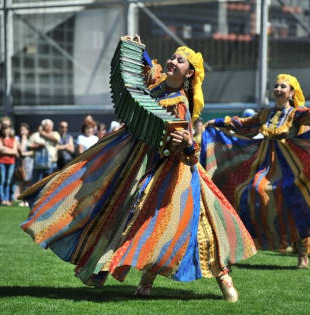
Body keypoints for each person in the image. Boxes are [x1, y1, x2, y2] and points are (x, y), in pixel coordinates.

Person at [19, 38, 256, 302]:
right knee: (123, 212)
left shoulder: (179, 104)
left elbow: (187, 150)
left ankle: (223, 277)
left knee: (189, 228)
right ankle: (139, 279)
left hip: (172, 175)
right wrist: (136, 49)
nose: (172, 61)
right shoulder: (156, 85)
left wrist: (188, 143)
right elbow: (139, 72)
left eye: (180, 60)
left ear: (189, 73)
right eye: (172, 57)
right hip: (140, 163)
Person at [202, 74, 310, 269]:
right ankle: (251, 241)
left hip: (291, 164)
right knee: (250, 191)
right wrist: (218, 122)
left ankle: (302, 254)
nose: (278, 89)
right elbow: (244, 124)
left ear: (291, 93)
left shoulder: (296, 114)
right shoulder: (265, 113)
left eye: (283, 86)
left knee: (296, 204)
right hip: (265, 162)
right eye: (276, 86)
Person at [29, 119, 61, 183]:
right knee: (36, 184)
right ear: (43, 126)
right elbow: (29, 146)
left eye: (51, 125)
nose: (50, 127)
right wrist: (38, 146)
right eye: (48, 125)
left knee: (50, 184)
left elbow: (56, 140)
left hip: (51, 164)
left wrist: (43, 134)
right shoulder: (36, 135)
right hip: (38, 165)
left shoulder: (55, 133)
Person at [0, 118, 18, 206]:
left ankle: (8, 199)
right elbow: (0, 149)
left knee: (8, 181)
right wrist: (10, 150)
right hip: (1, 161)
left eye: (7, 128)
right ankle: (2, 199)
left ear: (10, 129)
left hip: (11, 162)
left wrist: (5, 149)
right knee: (2, 180)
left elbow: (15, 151)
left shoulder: (14, 139)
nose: (6, 130)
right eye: (4, 128)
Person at [17, 123, 34, 205]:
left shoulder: (30, 140)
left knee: (28, 181)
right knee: (21, 182)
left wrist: (25, 154)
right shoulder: (18, 140)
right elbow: (19, 150)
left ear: (27, 131)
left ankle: (27, 200)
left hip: (29, 162)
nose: (22, 131)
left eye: (24, 130)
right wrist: (22, 139)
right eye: (21, 130)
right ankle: (21, 199)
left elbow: (33, 151)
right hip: (20, 162)